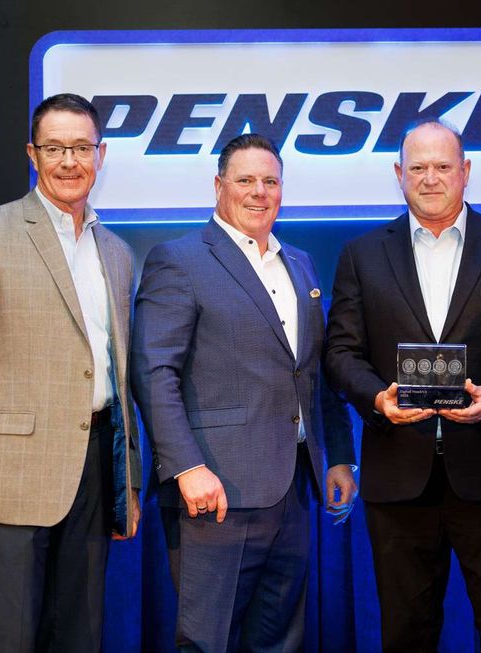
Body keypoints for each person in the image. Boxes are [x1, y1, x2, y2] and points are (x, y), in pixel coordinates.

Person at [0, 92, 142, 652]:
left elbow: (123, 381)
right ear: (32, 153)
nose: (68, 161)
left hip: (95, 468)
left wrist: (128, 480)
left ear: (101, 154)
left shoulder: (116, 251)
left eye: (80, 147)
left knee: (81, 636)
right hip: (8, 476)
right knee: (7, 638)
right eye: (54, 148)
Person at [325, 120, 481, 652]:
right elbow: (340, 353)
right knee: (406, 633)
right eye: (417, 168)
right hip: (400, 475)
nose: (430, 178)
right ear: (399, 175)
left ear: (465, 172)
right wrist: (377, 399)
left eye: (443, 166)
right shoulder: (362, 254)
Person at [132, 133, 358, 652]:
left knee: (280, 641)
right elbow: (153, 371)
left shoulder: (299, 264)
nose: (259, 192)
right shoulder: (180, 260)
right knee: (207, 641)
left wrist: (338, 458)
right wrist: (187, 467)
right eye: (246, 181)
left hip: (293, 491)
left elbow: (312, 370)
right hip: (214, 492)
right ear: (218, 186)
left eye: (270, 181)